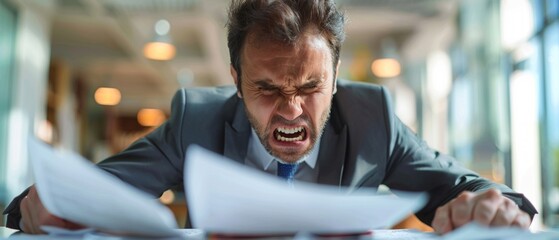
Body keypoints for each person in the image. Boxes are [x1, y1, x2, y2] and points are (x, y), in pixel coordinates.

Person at [4, 0, 536, 235]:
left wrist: (499, 207)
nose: (291, 109)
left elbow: (463, 187)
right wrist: (38, 207)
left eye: (310, 87)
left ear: (334, 79)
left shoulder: (372, 117)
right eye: (266, 88)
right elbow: (87, 190)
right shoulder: (196, 120)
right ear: (234, 79)